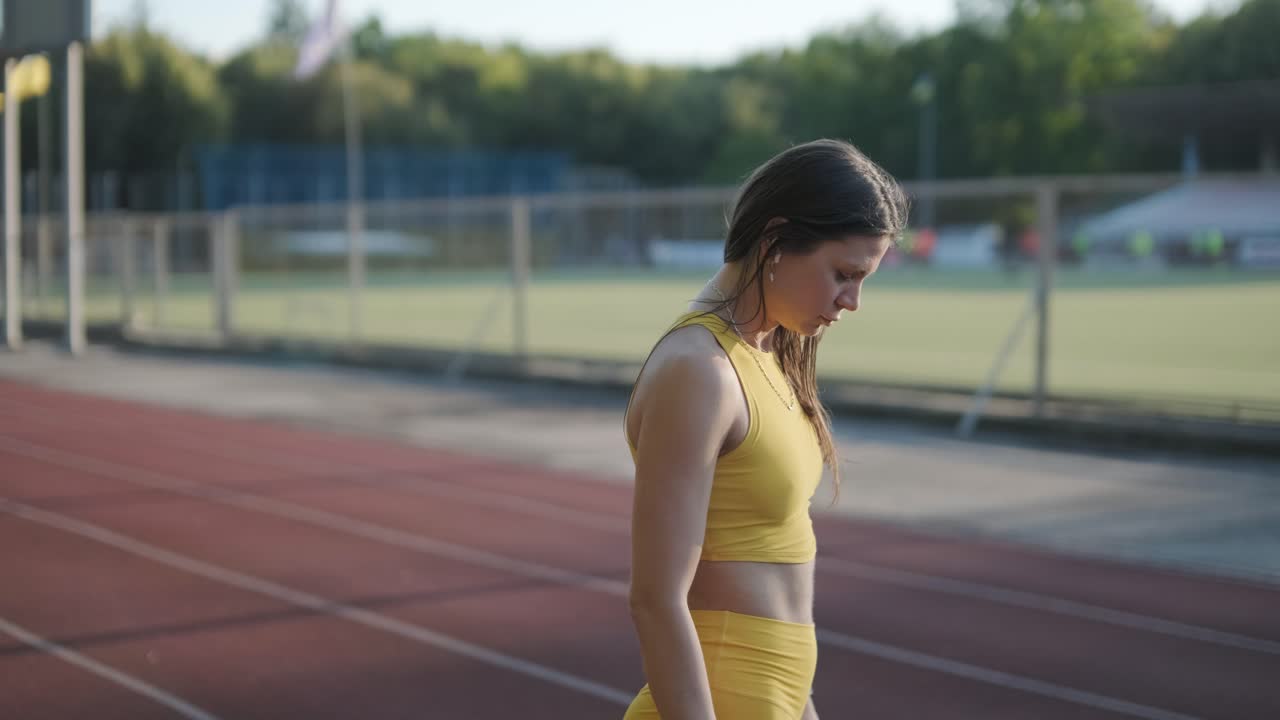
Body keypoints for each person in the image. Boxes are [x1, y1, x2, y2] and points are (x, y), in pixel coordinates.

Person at [622, 138, 909, 720]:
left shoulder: (766, 351)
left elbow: (778, 562)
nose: (851, 301)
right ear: (776, 238)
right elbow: (656, 600)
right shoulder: (699, 372)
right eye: (843, 274)